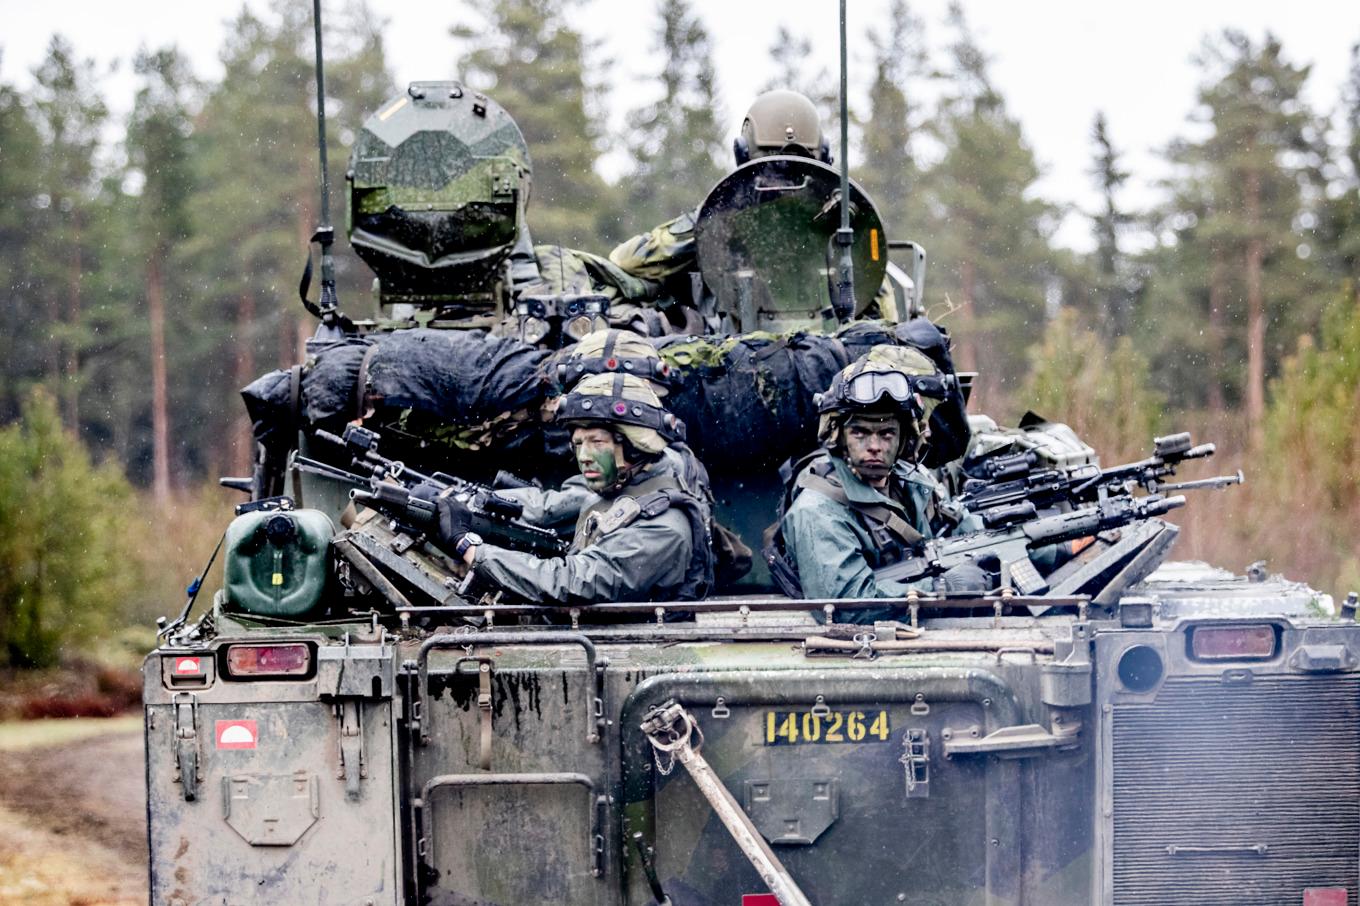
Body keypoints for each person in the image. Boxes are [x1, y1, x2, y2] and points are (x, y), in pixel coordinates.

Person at [608, 89, 897, 322]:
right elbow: (888, 322)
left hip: (736, 367)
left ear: (742, 152)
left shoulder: (721, 223)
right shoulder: (846, 228)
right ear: (824, 153)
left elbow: (626, 260)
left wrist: (707, 220)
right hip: (832, 370)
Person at [436, 373, 713, 605]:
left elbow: (575, 582)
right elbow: (549, 507)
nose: (584, 456)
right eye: (578, 443)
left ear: (634, 444)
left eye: (596, 442)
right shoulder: (618, 490)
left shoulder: (664, 527)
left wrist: (472, 549)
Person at [770, 346, 987, 618]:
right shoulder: (817, 511)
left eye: (886, 433)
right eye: (860, 432)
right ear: (839, 437)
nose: (874, 446)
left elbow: (971, 535)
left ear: (905, 440)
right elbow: (847, 606)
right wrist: (940, 591)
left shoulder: (915, 482)